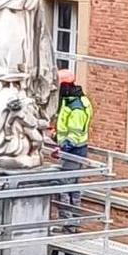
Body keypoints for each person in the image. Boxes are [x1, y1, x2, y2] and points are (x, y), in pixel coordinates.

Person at [53, 69, 94, 232]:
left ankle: (69, 224)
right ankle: (73, 223)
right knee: (73, 186)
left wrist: (61, 148)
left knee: (65, 186)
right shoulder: (74, 100)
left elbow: (74, 136)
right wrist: (57, 135)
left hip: (73, 151)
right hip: (75, 150)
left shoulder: (76, 107)